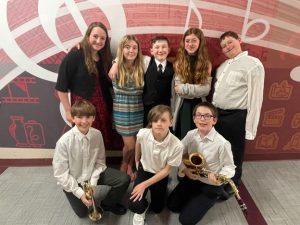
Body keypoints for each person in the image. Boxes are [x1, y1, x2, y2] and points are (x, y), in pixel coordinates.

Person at [52, 100, 130, 218]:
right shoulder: (63, 142)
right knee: (82, 214)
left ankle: (108, 204)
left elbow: (100, 163)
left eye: (88, 117)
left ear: (93, 118)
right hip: (74, 179)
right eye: (79, 117)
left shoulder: (97, 134)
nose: (84, 121)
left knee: (124, 179)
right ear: (72, 118)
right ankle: (75, 193)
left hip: (93, 173)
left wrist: (93, 184)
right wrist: (80, 193)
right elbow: (60, 174)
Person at [212, 31, 265, 193]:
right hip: (217, 115)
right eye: (223, 46)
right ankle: (219, 178)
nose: (227, 47)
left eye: (229, 42)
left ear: (239, 40)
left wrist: (250, 130)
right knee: (219, 149)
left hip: (236, 116)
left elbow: (256, 99)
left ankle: (232, 185)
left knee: (234, 152)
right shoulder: (222, 67)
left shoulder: (253, 64)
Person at [167, 102, 235, 225]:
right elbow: (177, 153)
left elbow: (230, 167)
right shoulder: (191, 134)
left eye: (207, 116)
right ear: (194, 119)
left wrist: (219, 177)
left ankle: (212, 197)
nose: (202, 119)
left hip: (210, 185)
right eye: (199, 115)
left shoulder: (222, 143)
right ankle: (194, 199)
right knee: (172, 206)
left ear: (214, 120)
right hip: (192, 177)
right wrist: (185, 170)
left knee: (186, 220)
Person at [55, 22, 114, 149]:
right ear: (88, 36)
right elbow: (61, 87)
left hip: (102, 108)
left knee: (100, 141)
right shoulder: (75, 55)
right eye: (95, 36)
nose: (98, 41)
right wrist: (68, 110)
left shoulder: (103, 57)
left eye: (102, 38)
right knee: (83, 142)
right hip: (83, 109)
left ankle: (97, 166)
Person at [128, 105, 184, 225]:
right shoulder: (143, 133)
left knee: (158, 208)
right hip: (144, 169)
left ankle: (161, 189)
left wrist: (144, 184)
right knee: (134, 205)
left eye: (163, 120)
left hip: (160, 174)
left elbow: (167, 170)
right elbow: (138, 144)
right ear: (151, 122)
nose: (159, 123)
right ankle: (142, 209)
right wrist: (137, 161)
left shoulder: (177, 145)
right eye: (155, 120)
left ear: (171, 121)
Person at [110, 35, 144, 180]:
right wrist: (117, 61)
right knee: (130, 145)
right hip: (122, 110)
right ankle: (125, 164)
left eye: (134, 47)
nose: (131, 50)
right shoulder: (116, 65)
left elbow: (159, 57)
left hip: (138, 110)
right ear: (122, 49)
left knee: (136, 143)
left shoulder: (142, 64)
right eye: (127, 47)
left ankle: (128, 165)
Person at [172, 28, 212, 139]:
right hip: (183, 106)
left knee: (199, 139)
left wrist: (185, 88)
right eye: (187, 41)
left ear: (200, 42)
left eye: (194, 40)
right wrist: (197, 89)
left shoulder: (207, 64)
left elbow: (205, 90)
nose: (190, 44)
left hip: (200, 107)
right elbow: (179, 91)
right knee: (184, 140)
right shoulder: (179, 63)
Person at [142, 36, 174, 126]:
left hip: (166, 110)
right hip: (148, 110)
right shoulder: (146, 63)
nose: (160, 50)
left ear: (169, 49)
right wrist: (115, 63)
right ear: (151, 50)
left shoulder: (173, 67)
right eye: (157, 47)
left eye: (164, 47)